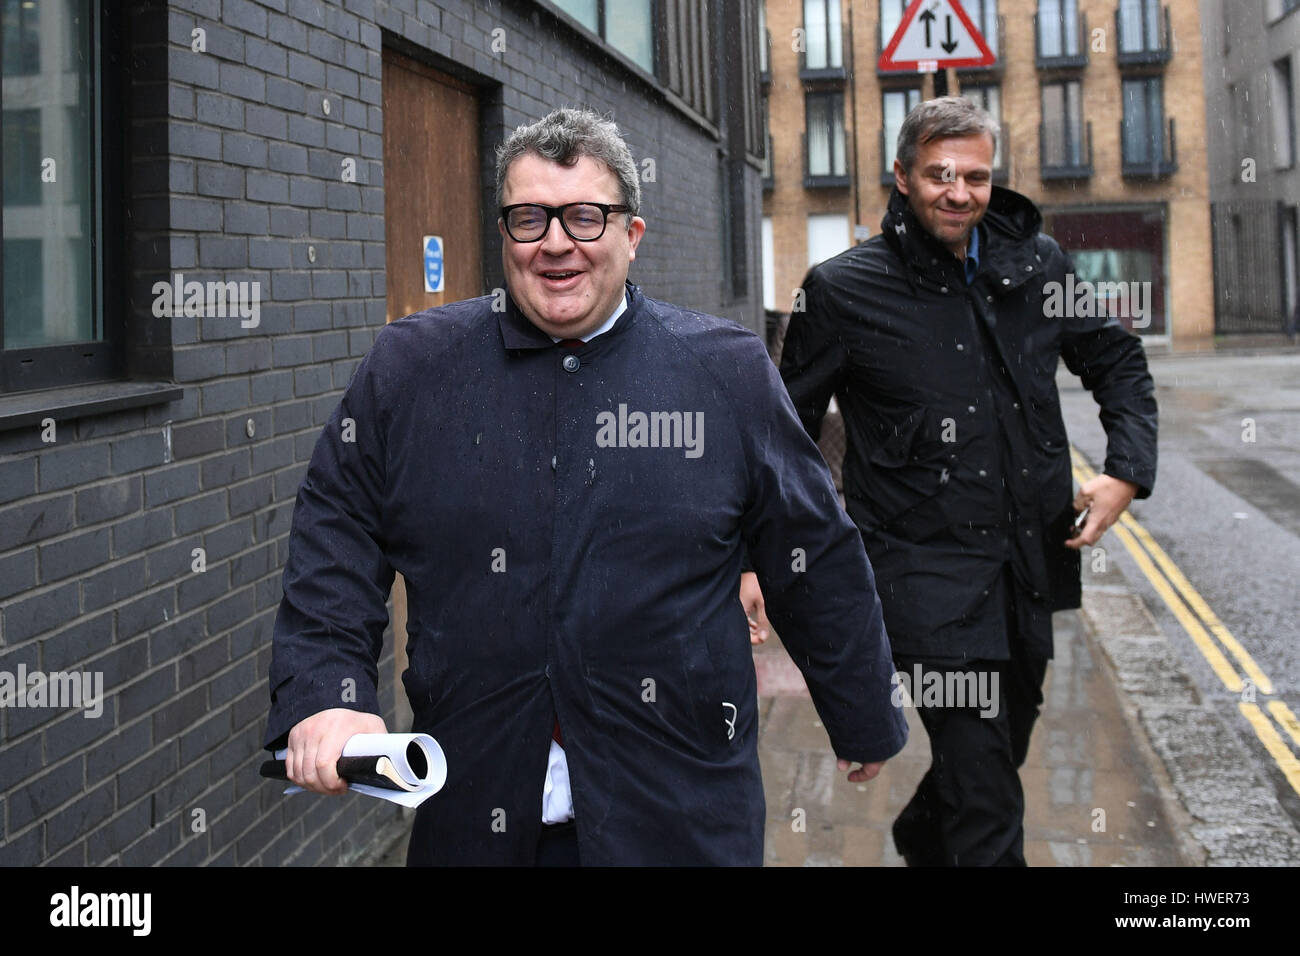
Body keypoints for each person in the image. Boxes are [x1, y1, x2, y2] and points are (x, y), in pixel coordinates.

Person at [264, 108, 907, 866]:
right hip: (477, 815)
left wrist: (861, 706)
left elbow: (814, 549)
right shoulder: (413, 371)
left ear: (632, 237)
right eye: (530, 218)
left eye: (586, 217)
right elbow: (337, 530)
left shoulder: (724, 373)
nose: (557, 243)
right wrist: (330, 692)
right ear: (504, 235)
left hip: (676, 819)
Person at [742, 97, 1157, 865]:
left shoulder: (1037, 266)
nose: (959, 192)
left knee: (999, 755)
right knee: (988, 799)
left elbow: (1116, 361)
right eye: (939, 175)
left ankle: (921, 839)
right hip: (922, 586)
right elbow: (781, 434)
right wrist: (753, 555)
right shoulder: (842, 290)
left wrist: (1126, 471)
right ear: (902, 177)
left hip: (1032, 567)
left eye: (976, 176)